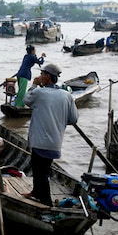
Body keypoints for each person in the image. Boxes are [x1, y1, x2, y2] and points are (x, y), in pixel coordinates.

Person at [23, 64, 78, 206]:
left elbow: (26, 100)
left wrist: (34, 85)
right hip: (55, 142)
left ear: (47, 77)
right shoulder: (67, 95)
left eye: (42, 74)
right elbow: (73, 119)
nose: (39, 76)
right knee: (39, 168)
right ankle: (36, 192)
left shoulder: (39, 93)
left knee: (41, 172)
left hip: (40, 141)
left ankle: (46, 202)